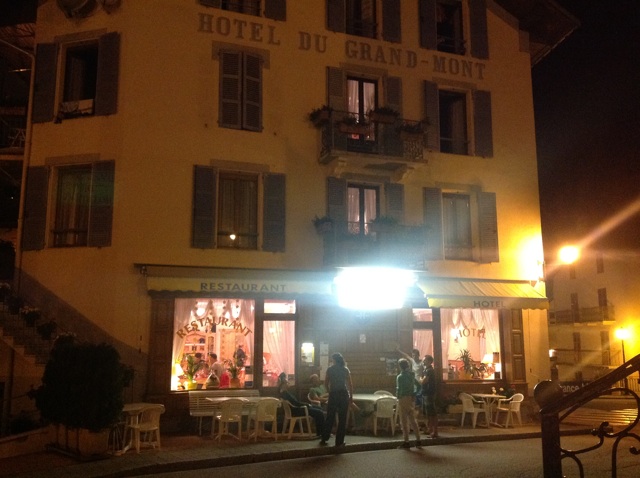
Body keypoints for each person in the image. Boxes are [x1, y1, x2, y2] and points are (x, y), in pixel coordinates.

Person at [320, 352, 353, 448]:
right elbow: (350, 384)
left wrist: (329, 391)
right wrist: (351, 396)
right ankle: (339, 441)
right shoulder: (345, 369)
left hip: (333, 394)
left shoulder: (330, 369)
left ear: (334, 360)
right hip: (343, 394)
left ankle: (324, 437)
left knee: (330, 416)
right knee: (342, 418)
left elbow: (326, 383)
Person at [396, 358, 422, 449]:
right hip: (411, 398)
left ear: (400, 366)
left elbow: (399, 389)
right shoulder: (411, 375)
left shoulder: (400, 377)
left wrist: (398, 397)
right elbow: (419, 386)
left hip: (403, 398)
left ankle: (406, 441)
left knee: (404, 421)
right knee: (413, 420)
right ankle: (418, 440)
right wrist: (414, 393)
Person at [421, 355, 439, 438]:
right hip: (426, 393)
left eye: (424, 360)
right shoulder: (426, 370)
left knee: (432, 413)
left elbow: (424, 381)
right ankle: (430, 429)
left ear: (429, 361)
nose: (423, 361)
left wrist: (419, 379)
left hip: (429, 394)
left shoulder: (429, 370)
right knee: (428, 413)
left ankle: (434, 431)